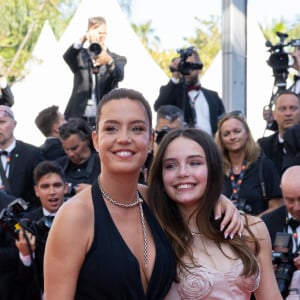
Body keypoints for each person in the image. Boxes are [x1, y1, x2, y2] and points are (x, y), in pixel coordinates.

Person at [44, 88, 243, 300]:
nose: (124, 138)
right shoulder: (76, 216)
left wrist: (218, 201)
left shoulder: (156, 202)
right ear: (95, 139)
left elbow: (195, 205)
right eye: (111, 128)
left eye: (137, 129)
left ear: (150, 141)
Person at [147, 127, 282, 299]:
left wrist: (216, 196)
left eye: (194, 163)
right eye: (171, 166)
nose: (183, 173)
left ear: (213, 168)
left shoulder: (252, 229)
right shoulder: (152, 233)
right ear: (160, 175)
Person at [15, 160, 68, 300]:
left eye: (57, 185)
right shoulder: (27, 223)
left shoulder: (82, 215)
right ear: (36, 191)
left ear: (66, 188)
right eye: (45, 186)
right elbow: (24, 279)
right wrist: (25, 255)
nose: (52, 192)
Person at [215, 111, 283, 217]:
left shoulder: (264, 165)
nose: (232, 137)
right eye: (226, 134)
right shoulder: (216, 170)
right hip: (222, 231)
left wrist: (251, 224)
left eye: (237, 131)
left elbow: (277, 205)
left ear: (247, 133)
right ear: (221, 139)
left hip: (257, 231)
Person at [63, 16, 127, 127]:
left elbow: (119, 75)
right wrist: (83, 38)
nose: (99, 37)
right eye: (96, 33)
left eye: (102, 33)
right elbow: (68, 57)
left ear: (106, 34)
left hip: (105, 117)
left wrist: (109, 61)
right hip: (78, 117)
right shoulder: (81, 55)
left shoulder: (116, 58)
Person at [154, 48, 224, 135]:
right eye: (184, 66)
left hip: (209, 144)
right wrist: (175, 76)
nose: (187, 71)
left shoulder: (213, 96)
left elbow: (223, 122)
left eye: (190, 66)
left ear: (199, 68)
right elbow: (159, 107)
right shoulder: (173, 92)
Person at [262, 166, 300, 298]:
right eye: (290, 200)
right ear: (281, 192)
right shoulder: (267, 223)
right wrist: (264, 269)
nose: (297, 207)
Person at [0, 105, 44, 209]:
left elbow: (41, 192)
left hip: (21, 219)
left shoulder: (31, 154)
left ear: (14, 124)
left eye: (2, 122)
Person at [257, 90, 300, 175]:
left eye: (293, 108)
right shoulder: (263, 146)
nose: (288, 113)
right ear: (274, 114)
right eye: (282, 109)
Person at [56, 117, 101, 198]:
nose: (70, 154)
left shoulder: (104, 164)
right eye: (66, 149)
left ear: (87, 140)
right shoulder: (58, 167)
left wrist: (95, 191)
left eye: (74, 148)